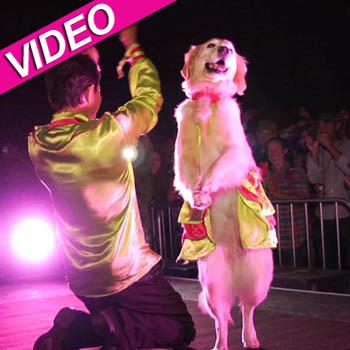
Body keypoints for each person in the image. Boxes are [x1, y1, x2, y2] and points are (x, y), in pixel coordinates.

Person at [28, 24, 195, 350]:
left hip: (82, 279)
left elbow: (68, 110)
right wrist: (133, 49)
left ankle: (79, 329)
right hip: (127, 273)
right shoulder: (109, 132)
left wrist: (85, 67)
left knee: (123, 333)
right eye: (98, 86)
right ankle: (85, 325)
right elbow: (150, 97)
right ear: (90, 92)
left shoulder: (37, 145)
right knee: (179, 328)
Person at [306, 112, 350, 269]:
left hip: (345, 214)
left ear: (337, 125)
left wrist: (330, 146)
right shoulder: (318, 148)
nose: (322, 127)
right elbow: (313, 179)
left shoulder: (346, 145)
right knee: (327, 261)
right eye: (320, 124)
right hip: (324, 215)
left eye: (327, 123)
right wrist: (313, 156)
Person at [263, 137, 311, 267]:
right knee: (276, 275)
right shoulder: (265, 174)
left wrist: (275, 191)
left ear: (285, 151)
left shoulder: (296, 171)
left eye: (276, 150)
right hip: (272, 234)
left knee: (296, 272)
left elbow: (303, 198)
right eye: (269, 151)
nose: (272, 154)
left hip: (292, 234)